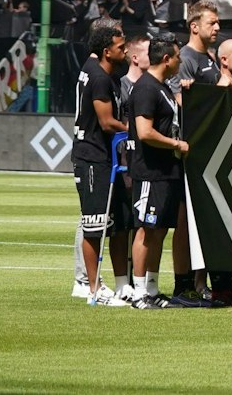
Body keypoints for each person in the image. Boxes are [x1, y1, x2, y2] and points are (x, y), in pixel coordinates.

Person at [128, 39, 192, 308]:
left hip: (167, 170)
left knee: (160, 231)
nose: (180, 61)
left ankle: (152, 290)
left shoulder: (163, 87)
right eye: (177, 57)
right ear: (166, 59)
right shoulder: (146, 88)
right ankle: (139, 292)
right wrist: (176, 144)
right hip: (150, 171)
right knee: (146, 230)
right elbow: (145, 132)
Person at [71, 22, 130, 306]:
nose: (125, 50)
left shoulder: (101, 70)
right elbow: (107, 122)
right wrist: (134, 130)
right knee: (94, 225)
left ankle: (121, 286)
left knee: (117, 224)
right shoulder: (99, 77)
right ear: (107, 51)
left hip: (105, 157)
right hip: (92, 157)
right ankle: (92, 288)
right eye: (121, 47)